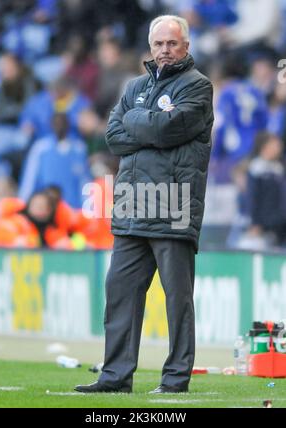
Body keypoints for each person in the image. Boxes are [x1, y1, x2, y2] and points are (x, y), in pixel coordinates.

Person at [75, 15, 214, 394]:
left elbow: (170, 129)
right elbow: (113, 137)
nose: (165, 50)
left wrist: (138, 122)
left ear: (186, 46)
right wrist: (148, 123)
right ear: (150, 47)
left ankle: (174, 380)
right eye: (158, 44)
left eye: (172, 43)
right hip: (131, 204)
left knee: (177, 300)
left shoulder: (198, 86)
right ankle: (116, 377)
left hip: (174, 204)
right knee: (119, 294)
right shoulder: (134, 85)